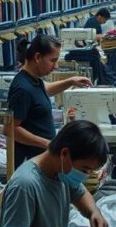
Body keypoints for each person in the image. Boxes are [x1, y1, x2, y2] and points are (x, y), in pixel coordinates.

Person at [0, 120, 109, 227]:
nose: (85, 175)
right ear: (64, 153)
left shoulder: (62, 173)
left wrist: (94, 212)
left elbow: (81, 194)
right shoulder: (24, 186)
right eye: (84, 170)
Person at [7, 33, 92, 165]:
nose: (56, 66)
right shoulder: (22, 89)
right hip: (31, 162)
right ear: (37, 57)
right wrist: (48, 143)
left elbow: (45, 90)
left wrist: (70, 81)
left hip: (40, 159)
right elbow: (10, 129)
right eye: (53, 60)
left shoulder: (33, 80)